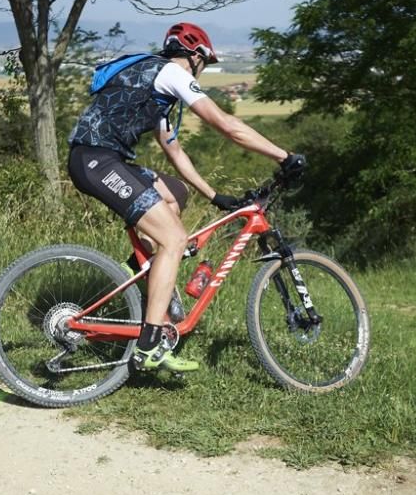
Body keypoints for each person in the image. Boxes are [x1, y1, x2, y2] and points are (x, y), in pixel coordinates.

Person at [67, 22, 304, 374]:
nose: (202, 72)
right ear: (195, 57)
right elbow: (226, 125)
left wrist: (214, 196)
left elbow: (174, 150)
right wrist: (283, 156)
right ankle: (149, 345)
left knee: (175, 192)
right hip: (96, 161)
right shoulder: (172, 74)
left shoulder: (154, 82)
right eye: (204, 65)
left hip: (102, 159)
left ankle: (148, 270)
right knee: (175, 239)